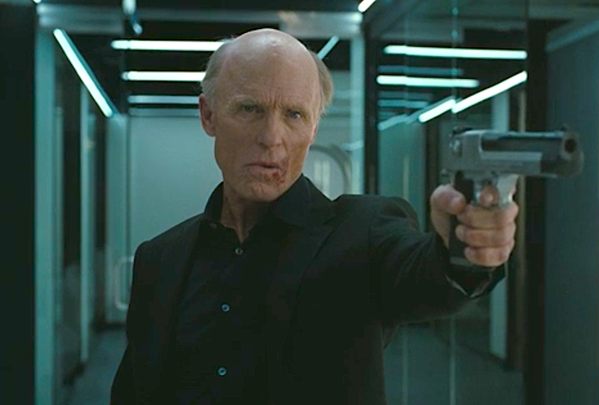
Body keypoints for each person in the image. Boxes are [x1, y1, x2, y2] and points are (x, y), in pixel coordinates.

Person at [111, 28, 518, 404]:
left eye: (294, 114)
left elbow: (426, 274)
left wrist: (464, 250)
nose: (271, 138)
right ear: (208, 115)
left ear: (313, 129)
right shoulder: (160, 259)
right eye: (250, 109)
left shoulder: (363, 234)